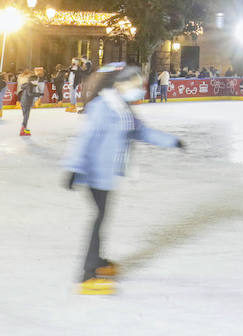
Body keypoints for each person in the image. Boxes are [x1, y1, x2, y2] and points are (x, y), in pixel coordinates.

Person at [63, 63, 185, 295]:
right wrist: (73, 168)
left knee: (102, 217)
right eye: (134, 83)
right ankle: (86, 275)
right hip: (93, 172)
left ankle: (97, 262)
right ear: (119, 84)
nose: (139, 88)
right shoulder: (102, 107)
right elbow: (85, 138)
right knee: (99, 218)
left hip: (108, 174)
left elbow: (141, 131)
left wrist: (172, 141)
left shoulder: (122, 109)